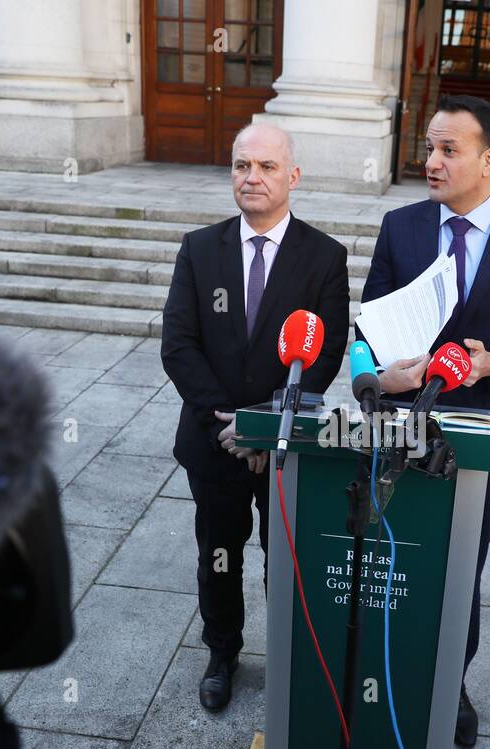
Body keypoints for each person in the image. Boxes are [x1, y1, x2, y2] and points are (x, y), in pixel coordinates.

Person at [362, 94, 490, 747]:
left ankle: (450, 680)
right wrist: (376, 376)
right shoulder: (400, 228)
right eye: (429, 147)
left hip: (480, 433)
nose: (432, 161)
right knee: (391, 557)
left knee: (461, 565)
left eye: (448, 150)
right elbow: (367, 328)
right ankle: (376, 673)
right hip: (398, 427)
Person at [161, 123, 349, 712]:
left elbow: (326, 351)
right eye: (242, 165)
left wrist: (268, 427)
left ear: (292, 176)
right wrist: (228, 419)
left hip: (285, 444)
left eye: (267, 167)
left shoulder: (324, 257)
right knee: (218, 551)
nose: (252, 177)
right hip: (213, 439)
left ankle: (290, 656)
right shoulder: (199, 249)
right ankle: (222, 653)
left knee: (285, 556)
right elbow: (179, 344)